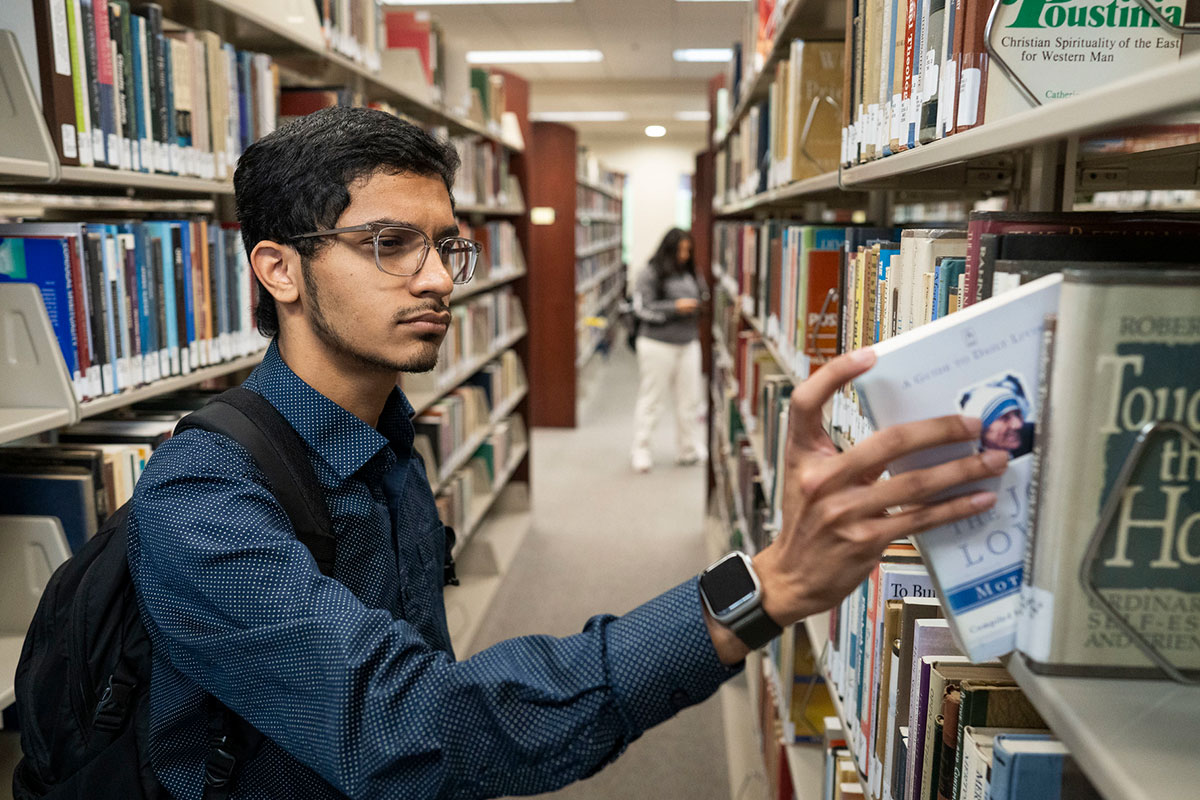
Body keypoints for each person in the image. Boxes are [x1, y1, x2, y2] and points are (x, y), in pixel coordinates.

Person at [127, 106, 1007, 800]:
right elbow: (411, 728)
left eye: (446, 246)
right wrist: (759, 593)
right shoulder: (201, 501)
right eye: (388, 244)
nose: (437, 279)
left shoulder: (387, 446)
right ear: (279, 271)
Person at [630, 227, 706, 473]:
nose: (684, 255)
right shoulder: (650, 273)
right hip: (657, 344)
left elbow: (703, 295)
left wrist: (697, 306)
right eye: (680, 250)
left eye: (688, 250)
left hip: (688, 342)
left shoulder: (691, 273)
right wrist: (675, 308)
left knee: (689, 400)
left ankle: (687, 449)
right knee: (653, 399)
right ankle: (641, 449)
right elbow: (642, 309)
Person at [959, 374, 1035, 459]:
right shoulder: (969, 459)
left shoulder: (1032, 437)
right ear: (982, 429)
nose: (1018, 425)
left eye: (1017, 414)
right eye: (1005, 418)